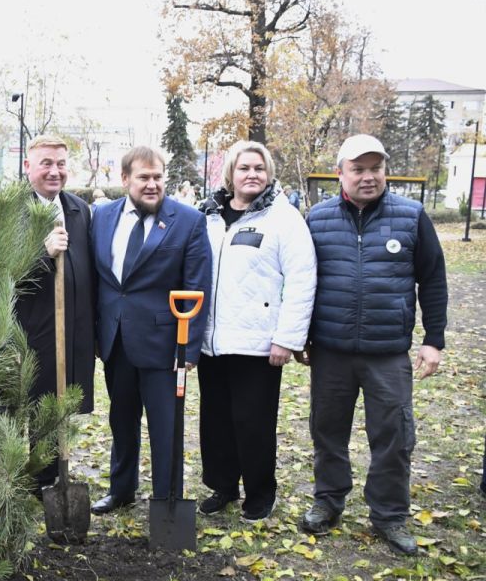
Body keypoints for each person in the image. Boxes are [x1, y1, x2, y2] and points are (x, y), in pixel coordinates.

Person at [298, 134, 448, 556]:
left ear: (385, 171)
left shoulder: (411, 216)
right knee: (327, 432)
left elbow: (433, 279)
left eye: (375, 168)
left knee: (395, 437)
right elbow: (301, 281)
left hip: (388, 353)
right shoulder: (316, 220)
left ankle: (389, 515)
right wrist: (300, 336)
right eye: (358, 169)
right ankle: (328, 501)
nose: (368, 177)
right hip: (330, 350)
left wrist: (433, 340)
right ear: (340, 173)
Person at [197, 141, 317, 522]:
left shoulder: (283, 219)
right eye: (244, 168)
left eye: (259, 168)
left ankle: (260, 492)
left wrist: (287, 339)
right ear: (230, 174)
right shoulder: (209, 217)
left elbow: (301, 280)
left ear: (269, 174)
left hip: (258, 343)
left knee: (253, 422)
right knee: (215, 420)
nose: (252, 174)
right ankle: (223, 485)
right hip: (212, 341)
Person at [89, 146, 212, 514]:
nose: (152, 184)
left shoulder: (188, 221)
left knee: (165, 428)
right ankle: (121, 489)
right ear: (125, 179)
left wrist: (188, 349)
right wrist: (95, 333)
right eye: (143, 177)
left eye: (158, 176)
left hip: (165, 346)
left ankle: (166, 501)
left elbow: (197, 287)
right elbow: (100, 280)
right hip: (116, 341)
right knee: (121, 421)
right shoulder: (102, 216)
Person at [14, 135, 95, 494]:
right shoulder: (12, 209)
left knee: (60, 402)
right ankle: (34, 478)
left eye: (60, 164)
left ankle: (51, 476)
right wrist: (42, 253)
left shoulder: (78, 209)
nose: (54, 171)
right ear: (28, 166)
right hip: (31, 328)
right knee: (33, 403)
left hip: (72, 325)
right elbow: (5, 274)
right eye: (46, 163)